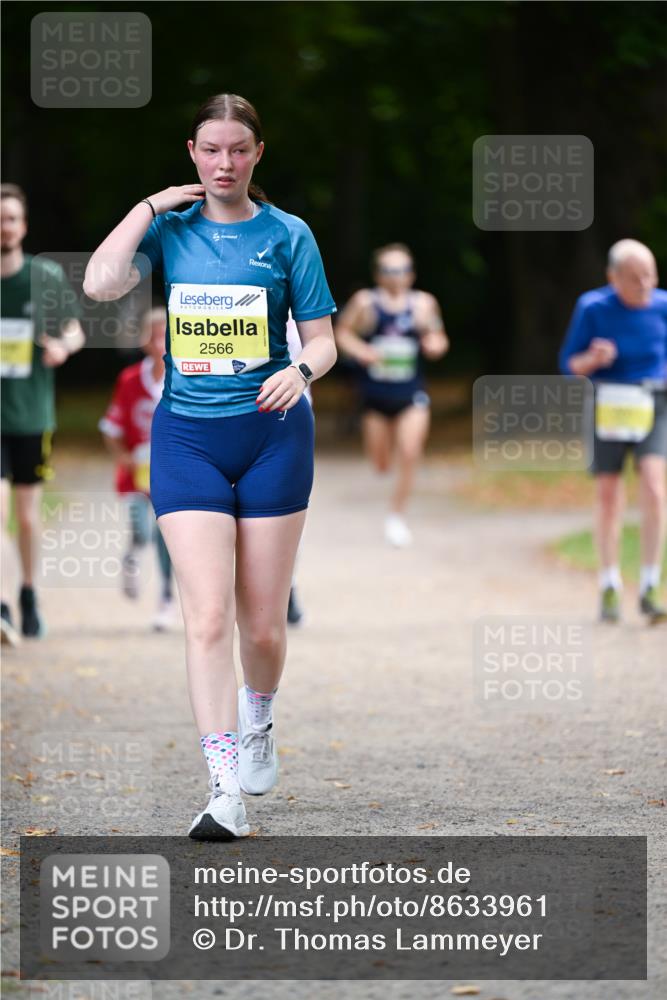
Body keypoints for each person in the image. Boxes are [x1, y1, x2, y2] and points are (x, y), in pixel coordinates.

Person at [84, 93, 337, 839]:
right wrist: (148, 206)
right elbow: (99, 282)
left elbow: (323, 340)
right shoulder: (170, 230)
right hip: (187, 439)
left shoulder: (288, 234)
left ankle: (259, 716)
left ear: (257, 154)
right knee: (206, 619)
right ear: (192, 153)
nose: (224, 163)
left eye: (238, 149)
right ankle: (223, 786)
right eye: (211, 149)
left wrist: (300, 370)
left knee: (261, 628)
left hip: (273, 437)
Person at [559, 239, 667, 625]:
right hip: (608, 404)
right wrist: (593, 358)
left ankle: (651, 583)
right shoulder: (593, 307)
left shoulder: (663, 306)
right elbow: (569, 364)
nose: (645, 284)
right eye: (635, 277)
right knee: (608, 493)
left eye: (650, 274)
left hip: (653, 403)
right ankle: (609, 583)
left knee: (654, 486)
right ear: (613, 277)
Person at [1, 183, 85, 644]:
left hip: (31, 416)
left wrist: (62, 348)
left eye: (11, 219)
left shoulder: (44, 276)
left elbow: (74, 330)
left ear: (24, 226)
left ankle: (29, 593)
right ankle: (1, 605)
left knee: (28, 516)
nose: (5, 227)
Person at [335, 243, 448, 546]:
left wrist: (435, 345)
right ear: (378, 274)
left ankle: (397, 516)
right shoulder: (365, 303)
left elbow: (438, 336)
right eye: (389, 270)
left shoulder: (424, 304)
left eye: (401, 270)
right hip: (374, 396)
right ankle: (385, 471)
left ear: (411, 274)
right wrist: (361, 350)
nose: (395, 276)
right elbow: (342, 332)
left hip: (411, 394)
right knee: (381, 463)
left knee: (410, 452)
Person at [99, 306, 177, 631]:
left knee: (165, 535)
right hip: (135, 475)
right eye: (153, 337)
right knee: (141, 530)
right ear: (144, 341)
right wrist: (123, 457)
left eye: (165, 337)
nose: (159, 344)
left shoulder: (184, 377)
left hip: (170, 472)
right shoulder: (130, 379)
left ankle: (166, 597)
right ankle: (132, 553)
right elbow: (110, 427)